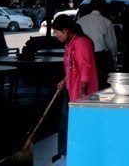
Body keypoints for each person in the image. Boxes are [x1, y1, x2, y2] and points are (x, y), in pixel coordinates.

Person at [52, 14, 99, 163]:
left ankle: (75, 155)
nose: (56, 35)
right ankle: (65, 154)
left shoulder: (81, 43)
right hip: (72, 91)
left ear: (65, 30)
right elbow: (73, 67)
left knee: (77, 125)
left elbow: (85, 67)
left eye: (57, 32)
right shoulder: (70, 44)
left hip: (81, 93)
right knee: (67, 122)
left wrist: (83, 92)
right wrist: (64, 80)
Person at [77, 0, 117, 89]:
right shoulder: (106, 22)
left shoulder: (80, 21)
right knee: (100, 84)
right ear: (103, 8)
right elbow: (112, 45)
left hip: (82, 57)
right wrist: (114, 57)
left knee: (85, 84)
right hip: (100, 59)